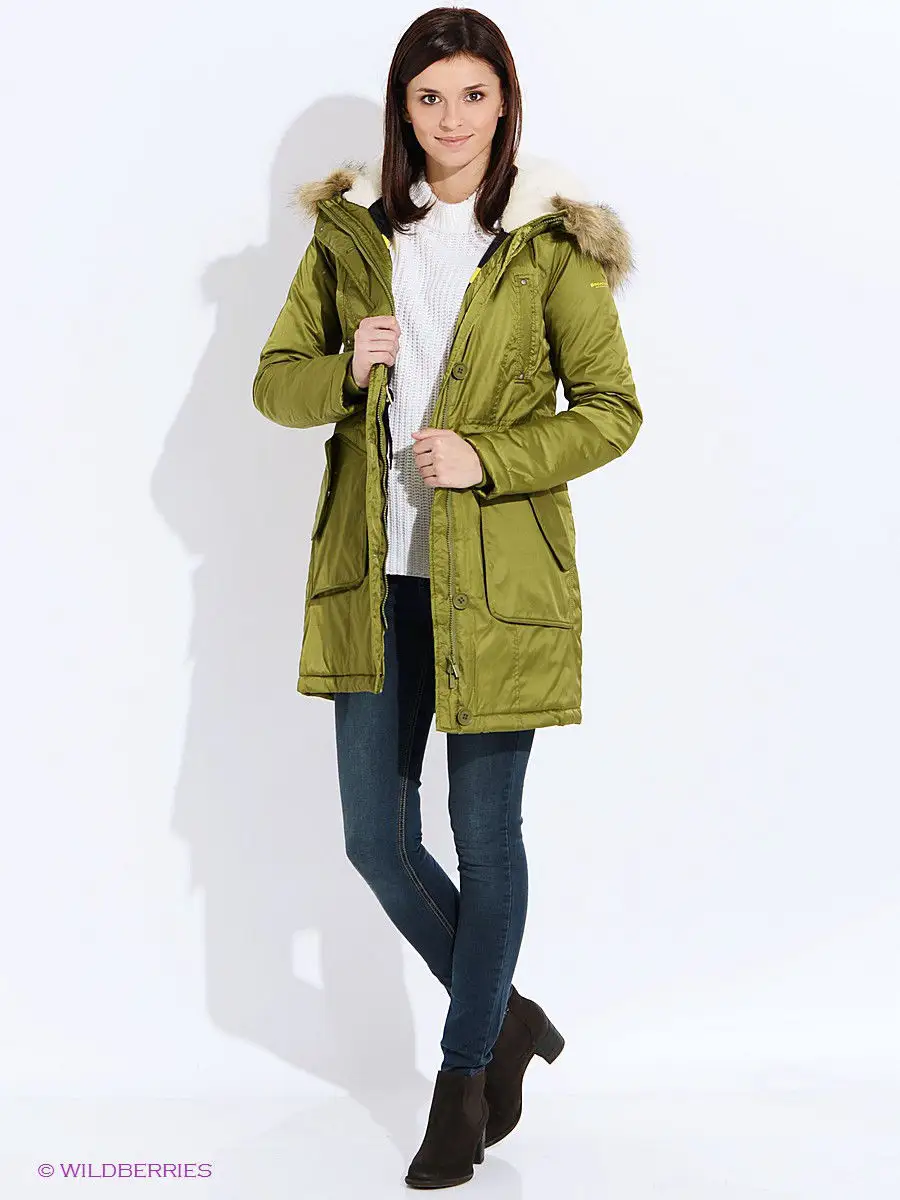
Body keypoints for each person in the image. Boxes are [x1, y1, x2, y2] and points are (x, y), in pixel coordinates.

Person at [252, 6, 642, 1188]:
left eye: (474, 95)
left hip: (499, 586)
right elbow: (274, 385)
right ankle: (510, 1016)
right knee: (376, 842)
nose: (452, 119)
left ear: (504, 103)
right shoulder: (352, 236)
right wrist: (346, 368)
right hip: (372, 582)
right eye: (430, 98)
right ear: (404, 109)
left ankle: (464, 1077)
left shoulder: (548, 245)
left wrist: (489, 456)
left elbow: (612, 411)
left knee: (484, 840)